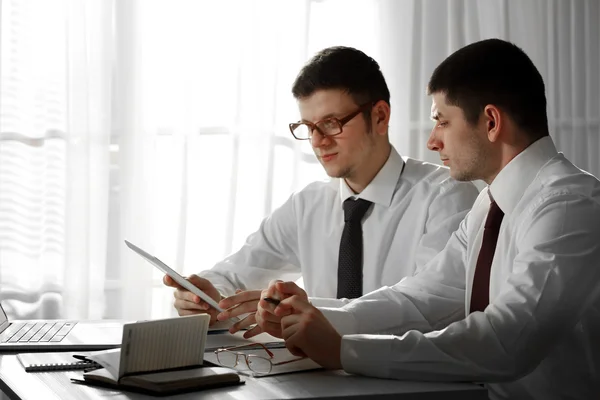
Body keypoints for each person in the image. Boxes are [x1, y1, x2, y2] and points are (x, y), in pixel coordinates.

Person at [258, 39, 600, 400]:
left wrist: (344, 350)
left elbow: (506, 340)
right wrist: (311, 314)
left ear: (491, 122)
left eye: (442, 121)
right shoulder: (488, 204)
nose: (432, 142)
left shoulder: (568, 205)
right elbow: (421, 299)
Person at [164, 46, 479, 337]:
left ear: (380, 116)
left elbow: (429, 306)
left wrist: (312, 312)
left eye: (331, 123)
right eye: (307, 127)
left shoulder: (447, 197)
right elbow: (232, 277)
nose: (317, 141)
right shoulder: (308, 206)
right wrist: (204, 299)